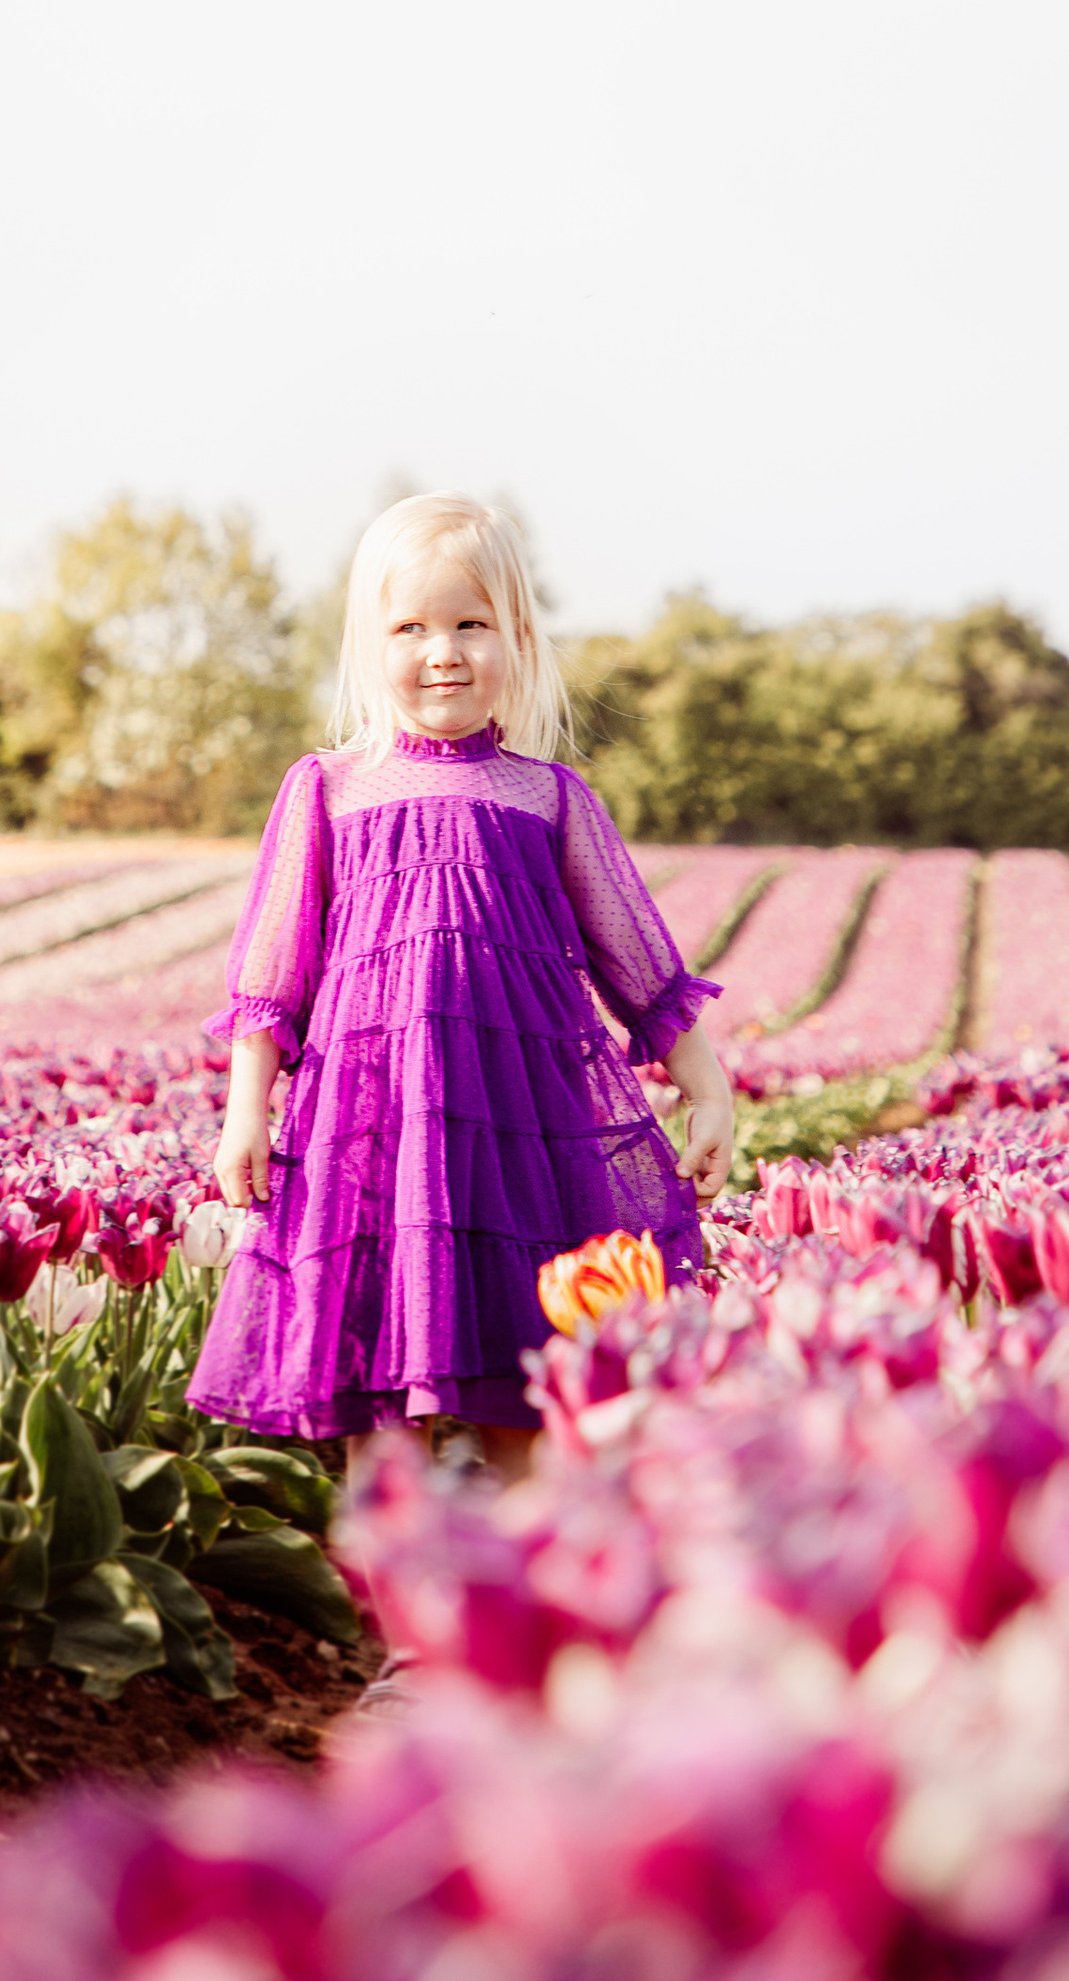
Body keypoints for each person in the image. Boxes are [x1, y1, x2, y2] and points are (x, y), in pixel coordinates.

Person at [188, 492, 733, 1476]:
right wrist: (244, 1114)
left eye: (471, 624)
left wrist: (707, 1085)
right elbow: (270, 978)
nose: (442, 651)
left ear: (517, 639)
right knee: (374, 1405)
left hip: (521, 1130)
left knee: (519, 1384)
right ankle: (388, 1613)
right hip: (368, 1126)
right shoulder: (331, 789)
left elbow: (640, 968)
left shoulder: (548, 798)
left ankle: (510, 1609)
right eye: (411, 627)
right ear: (369, 642)